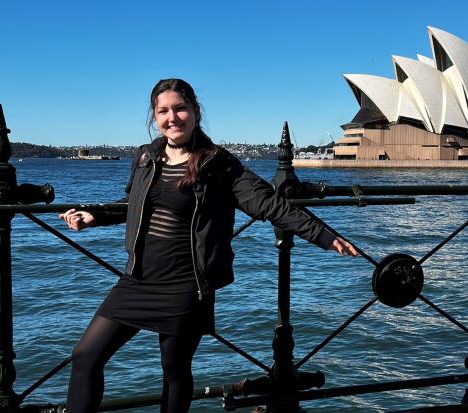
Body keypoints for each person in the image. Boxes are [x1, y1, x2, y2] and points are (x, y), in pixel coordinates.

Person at [59, 78, 357, 412]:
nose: (172, 118)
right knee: (85, 357)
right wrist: (93, 216)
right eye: (163, 111)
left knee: (173, 371)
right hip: (138, 279)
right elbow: (133, 205)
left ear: (195, 112)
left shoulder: (218, 163)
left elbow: (268, 204)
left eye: (180, 109)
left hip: (186, 284)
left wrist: (324, 235)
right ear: (154, 117)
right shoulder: (146, 157)